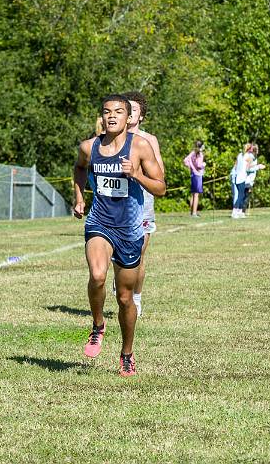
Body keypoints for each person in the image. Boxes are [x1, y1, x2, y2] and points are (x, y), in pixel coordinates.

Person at [73, 94, 166, 377]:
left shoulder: (140, 146)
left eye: (118, 112)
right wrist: (79, 197)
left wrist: (136, 174)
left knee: (125, 298)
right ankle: (98, 326)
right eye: (106, 111)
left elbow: (161, 187)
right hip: (100, 222)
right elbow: (79, 168)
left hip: (130, 228)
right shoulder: (89, 147)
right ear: (102, 117)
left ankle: (127, 353)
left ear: (128, 118)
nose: (111, 116)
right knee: (98, 275)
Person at [122, 90, 164, 317]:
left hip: (142, 206)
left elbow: (161, 177)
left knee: (138, 255)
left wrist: (137, 172)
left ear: (141, 116)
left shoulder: (149, 140)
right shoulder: (112, 138)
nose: (129, 114)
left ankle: (135, 297)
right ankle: (123, 282)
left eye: (134, 110)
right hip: (117, 207)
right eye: (125, 109)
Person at [183, 140, 206, 217]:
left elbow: (185, 161)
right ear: (201, 146)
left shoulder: (192, 153)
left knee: (193, 194)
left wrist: (191, 167)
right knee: (196, 194)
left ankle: (192, 212)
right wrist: (203, 165)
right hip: (198, 175)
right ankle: (194, 213)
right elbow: (199, 165)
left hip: (193, 174)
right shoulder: (199, 154)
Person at [242, 144, 266, 215]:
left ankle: (241, 211)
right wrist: (258, 167)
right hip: (246, 181)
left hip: (249, 181)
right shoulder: (250, 157)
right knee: (245, 197)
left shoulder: (253, 157)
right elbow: (247, 168)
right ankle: (241, 212)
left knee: (246, 197)